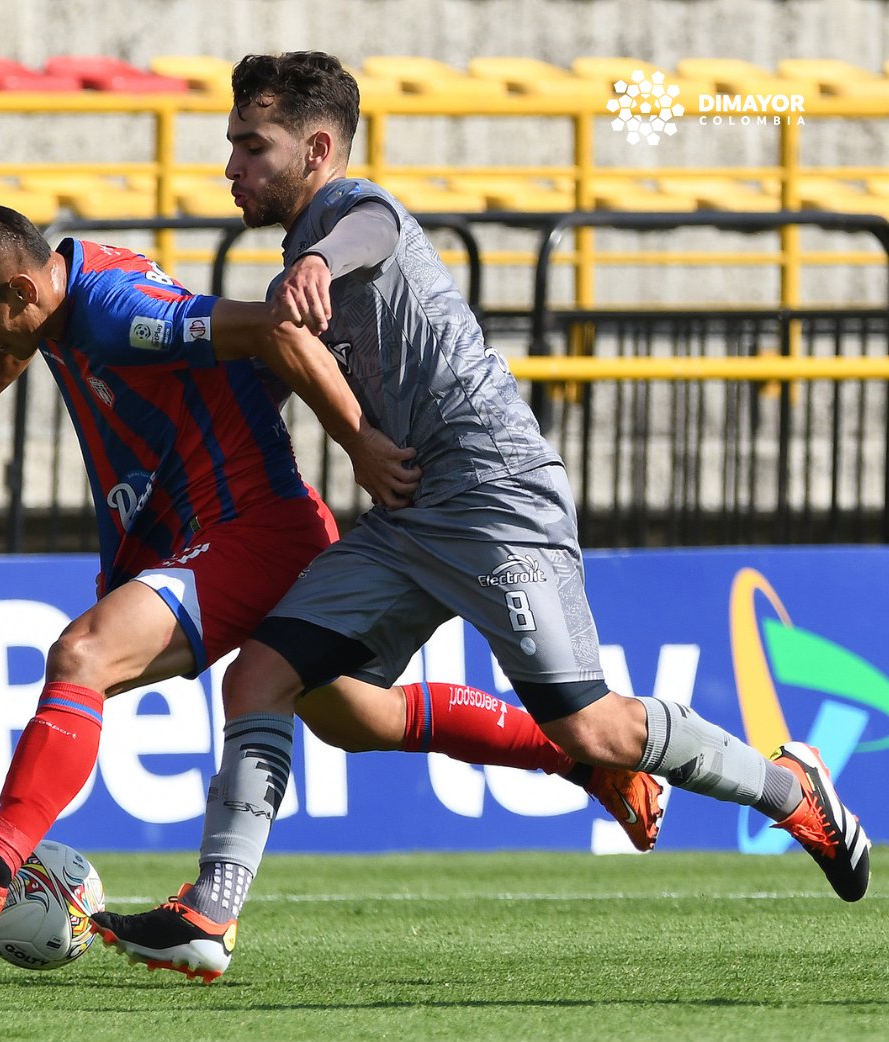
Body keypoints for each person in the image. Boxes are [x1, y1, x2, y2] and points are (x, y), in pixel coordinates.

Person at [92, 50, 871, 981]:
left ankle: (795, 793)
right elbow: (262, 368)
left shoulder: (348, 216)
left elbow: (372, 229)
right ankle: (210, 915)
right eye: (231, 146)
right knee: (264, 678)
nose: (231, 167)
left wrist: (313, 261)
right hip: (409, 512)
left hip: (495, 496)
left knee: (595, 726)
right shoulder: (292, 280)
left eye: (251, 146)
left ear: (318, 149)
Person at [0, 201, 663, 942]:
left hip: (247, 528)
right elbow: (14, 342)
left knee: (83, 655)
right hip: (213, 527)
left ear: (20, 289)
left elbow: (274, 330)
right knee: (357, 717)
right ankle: (582, 762)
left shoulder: (117, 309)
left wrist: (356, 440)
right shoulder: (55, 294)